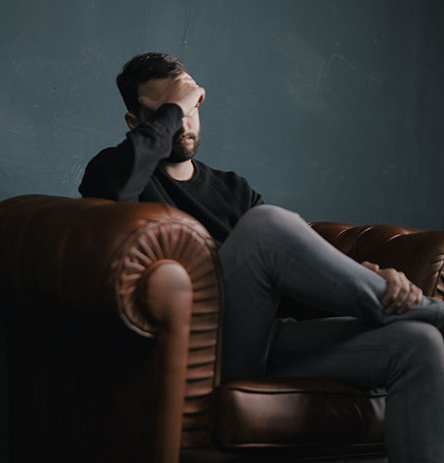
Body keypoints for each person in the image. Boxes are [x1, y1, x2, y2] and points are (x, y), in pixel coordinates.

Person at [79, 52, 444, 463]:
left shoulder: (233, 189)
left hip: (268, 342)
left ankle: (414, 315)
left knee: (420, 344)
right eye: (169, 109)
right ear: (136, 123)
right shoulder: (115, 172)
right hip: (206, 353)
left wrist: (356, 275)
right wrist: (175, 105)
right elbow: (109, 194)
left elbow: (290, 276)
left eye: (190, 105)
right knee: (266, 225)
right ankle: (428, 310)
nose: (184, 120)